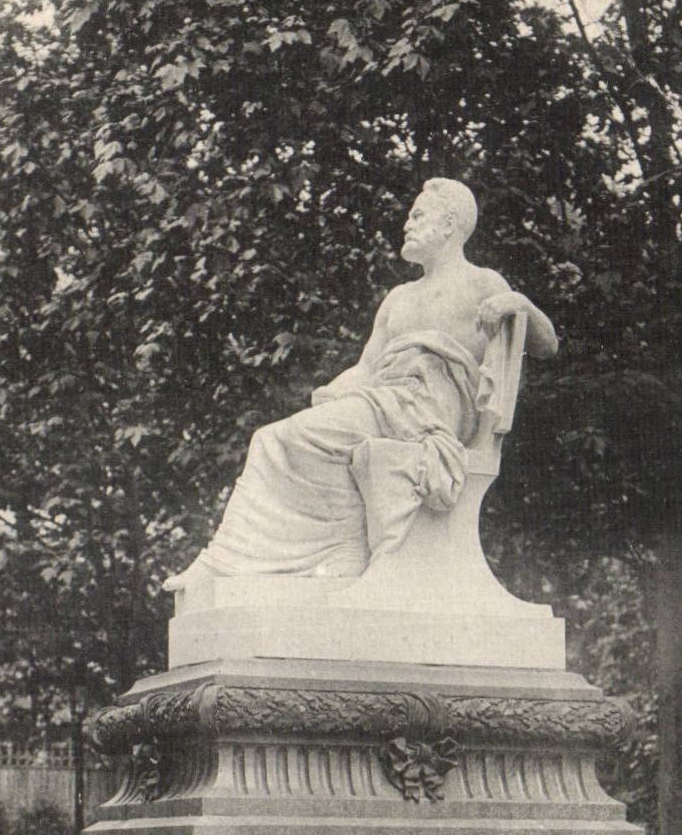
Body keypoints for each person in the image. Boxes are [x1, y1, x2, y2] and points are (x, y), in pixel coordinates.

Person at [164, 179, 558, 590]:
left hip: (429, 407)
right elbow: (367, 367)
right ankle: (324, 550)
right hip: (385, 400)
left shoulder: (482, 283)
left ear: (449, 224)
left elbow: (547, 344)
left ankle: (231, 561)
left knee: (278, 439)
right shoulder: (399, 298)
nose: (407, 223)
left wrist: (520, 304)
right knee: (281, 437)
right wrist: (330, 396)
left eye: (418, 215)